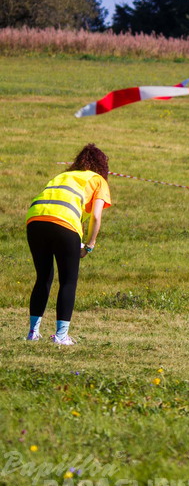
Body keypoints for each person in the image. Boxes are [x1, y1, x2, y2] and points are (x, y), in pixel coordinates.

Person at [25, 143, 112, 345]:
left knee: (43, 278)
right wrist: (89, 245)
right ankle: (61, 336)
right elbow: (96, 217)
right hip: (64, 223)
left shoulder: (62, 176)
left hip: (35, 219)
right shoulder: (97, 180)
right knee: (68, 281)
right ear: (102, 166)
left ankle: (32, 333)